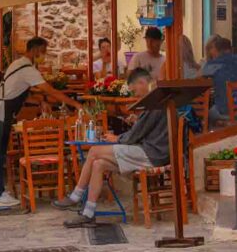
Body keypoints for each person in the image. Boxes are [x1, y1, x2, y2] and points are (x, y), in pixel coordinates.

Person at [51, 68, 169, 227]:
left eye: (135, 91)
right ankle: (88, 213)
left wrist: (117, 138)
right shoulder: (156, 99)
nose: (136, 96)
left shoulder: (154, 99)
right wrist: (136, 122)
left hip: (151, 153)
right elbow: (147, 128)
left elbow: (136, 135)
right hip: (151, 151)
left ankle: (76, 196)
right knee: (98, 164)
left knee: (94, 151)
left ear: (142, 83)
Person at [0, 37, 83, 207]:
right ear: (36, 50)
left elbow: (21, 91)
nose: (44, 56)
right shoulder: (28, 69)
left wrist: (39, 101)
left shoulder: (17, 64)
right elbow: (52, 91)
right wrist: (76, 104)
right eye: (43, 52)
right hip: (1, 113)